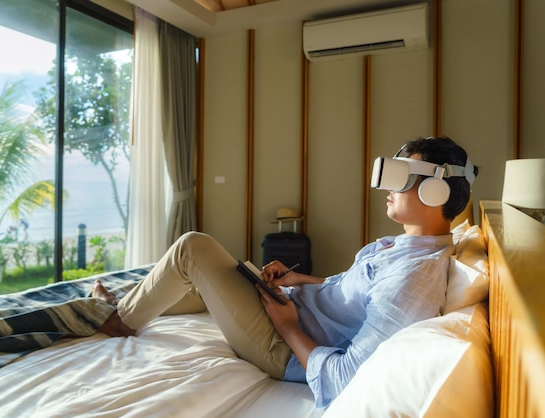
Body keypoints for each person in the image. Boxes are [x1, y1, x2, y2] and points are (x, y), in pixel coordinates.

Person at [93, 136, 478, 408]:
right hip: (288, 311)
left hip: (283, 349)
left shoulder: (414, 278)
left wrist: (289, 325)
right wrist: (300, 282)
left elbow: (346, 377)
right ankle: (124, 301)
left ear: (436, 191)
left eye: (401, 176)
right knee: (210, 276)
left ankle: (118, 321)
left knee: (193, 248)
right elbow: (355, 294)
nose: (385, 188)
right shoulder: (405, 250)